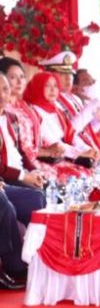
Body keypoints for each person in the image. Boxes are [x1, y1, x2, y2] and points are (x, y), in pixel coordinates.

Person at [0, 72, 46, 290]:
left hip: (6, 179)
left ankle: (40, 258)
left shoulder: (10, 118)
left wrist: (33, 171)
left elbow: (21, 153)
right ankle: (13, 267)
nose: (2, 95)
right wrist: (22, 176)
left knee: (37, 199)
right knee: (5, 206)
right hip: (7, 178)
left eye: (4, 89)